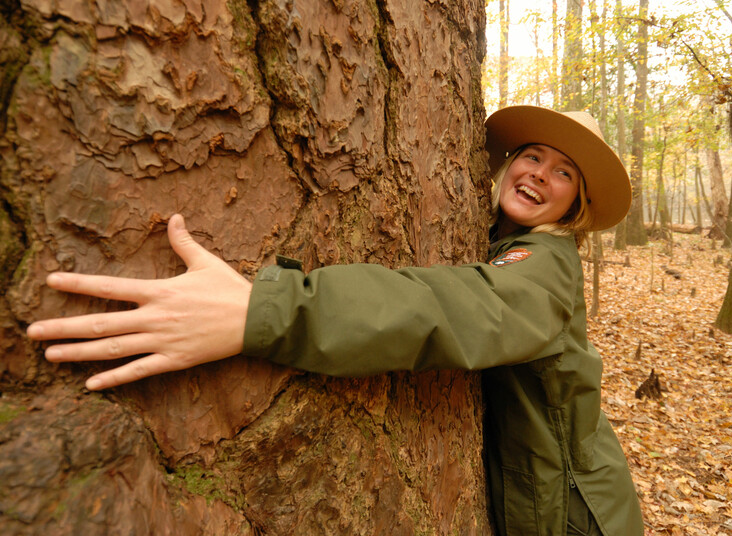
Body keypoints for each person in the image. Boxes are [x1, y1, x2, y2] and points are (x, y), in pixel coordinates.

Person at [27, 105, 644, 536]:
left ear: (576, 204)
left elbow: (467, 307)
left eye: (564, 172)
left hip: (576, 514)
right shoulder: (499, 245)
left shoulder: (547, 262)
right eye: (532, 156)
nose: (540, 173)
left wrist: (264, 310)